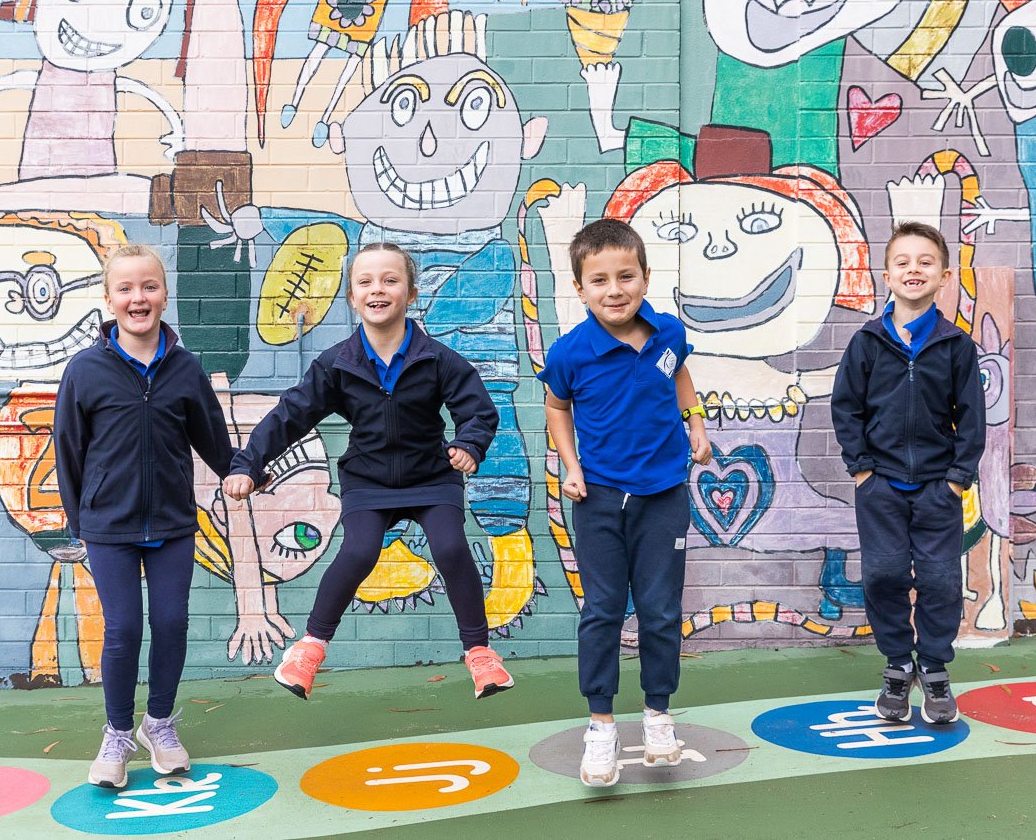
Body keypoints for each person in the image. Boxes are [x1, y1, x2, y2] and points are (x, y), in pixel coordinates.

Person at [222, 243, 514, 701]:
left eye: (390, 280)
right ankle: (309, 650)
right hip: (369, 480)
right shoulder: (338, 365)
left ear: (411, 293)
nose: (378, 289)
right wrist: (248, 464)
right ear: (353, 298)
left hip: (432, 477)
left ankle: (480, 654)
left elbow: (480, 411)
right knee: (359, 551)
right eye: (366, 282)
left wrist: (468, 445)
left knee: (451, 546)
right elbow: (290, 416)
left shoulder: (436, 358)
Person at [539, 219, 712, 788]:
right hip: (598, 499)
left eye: (626, 276)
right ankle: (601, 726)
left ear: (645, 277)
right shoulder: (570, 353)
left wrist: (696, 424)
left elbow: (679, 375)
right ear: (580, 288)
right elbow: (557, 408)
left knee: (661, 611)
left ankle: (659, 717)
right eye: (599, 280)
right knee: (604, 612)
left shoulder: (668, 333)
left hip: (663, 495)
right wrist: (571, 466)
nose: (615, 290)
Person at [55, 245, 234, 788]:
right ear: (109, 299)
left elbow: (214, 442)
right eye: (126, 289)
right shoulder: (85, 370)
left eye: (149, 287)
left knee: (172, 623)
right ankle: (116, 734)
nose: (139, 298)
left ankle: (159, 723)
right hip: (108, 526)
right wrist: (77, 524)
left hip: (173, 523)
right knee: (124, 628)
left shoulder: (185, 369)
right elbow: (68, 450)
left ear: (164, 293)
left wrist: (247, 472)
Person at [831, 220, 984, 724]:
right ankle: (898, 664)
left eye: (925, 262)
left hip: (938, 489)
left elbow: (972, 418)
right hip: (881, 489)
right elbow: (846, 408)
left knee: (940, 579)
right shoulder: (867, 342)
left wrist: (957, 478)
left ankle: (935, 668)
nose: (913, 270)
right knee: (883, 575)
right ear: (887, 275)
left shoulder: (955, 346)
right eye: (903, 262)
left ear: (943, 276)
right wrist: (862, 472)